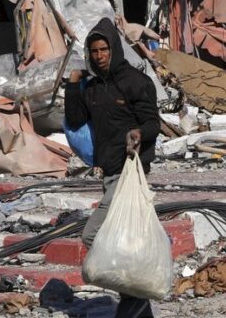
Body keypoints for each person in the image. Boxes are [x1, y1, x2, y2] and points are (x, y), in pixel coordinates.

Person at [64, 18, 160, 318]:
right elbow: (76, 120)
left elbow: (153, 123)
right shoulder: (93, 88)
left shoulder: (135, 81)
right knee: (122, 241)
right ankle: (136, 303)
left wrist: (139, 133)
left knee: (93, 235)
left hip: (130, 172)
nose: (99, 56)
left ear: (114, 49)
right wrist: (73, 84)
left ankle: (134, 298)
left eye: (104, 49)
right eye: (94, 51)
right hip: (109, 174)